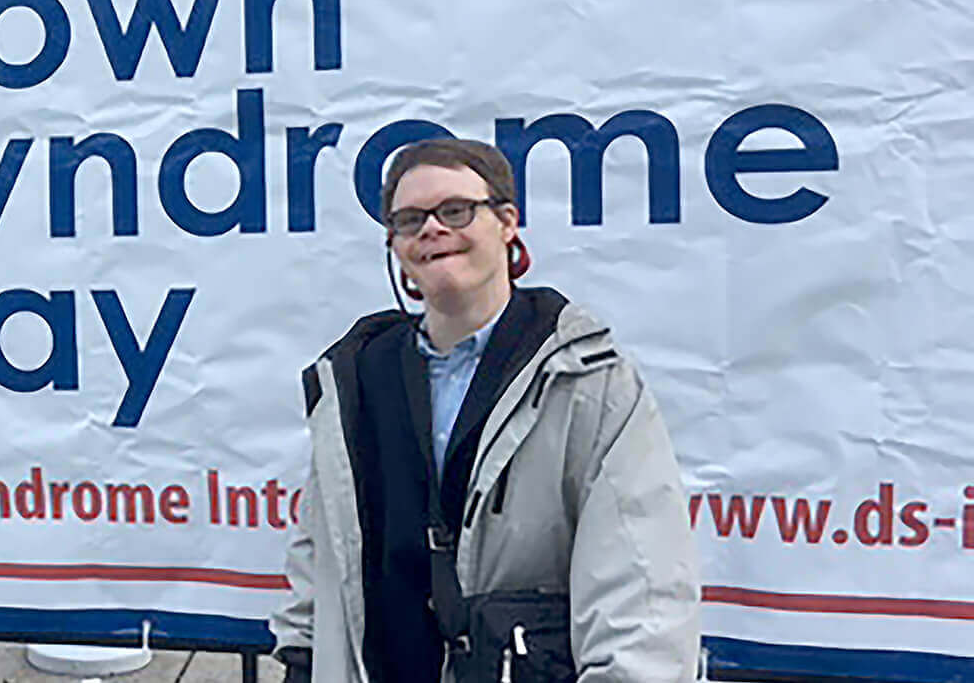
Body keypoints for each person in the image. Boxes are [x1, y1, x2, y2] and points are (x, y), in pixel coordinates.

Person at [269, 138, 700, 682]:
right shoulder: (356, 382)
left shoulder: (587, 380)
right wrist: (301, 658)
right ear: (394, 245)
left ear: (507, 223)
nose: (432, 229)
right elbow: (322, 553)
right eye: (409, 220)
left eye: (455, 210)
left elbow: (639, 584)